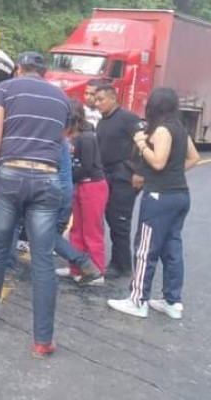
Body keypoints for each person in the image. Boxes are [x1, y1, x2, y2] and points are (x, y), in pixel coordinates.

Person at [0, 51, 69, 358]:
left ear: (17, 69)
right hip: (47, 179)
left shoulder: (5, 88)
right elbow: (59, 141)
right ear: (43, 72)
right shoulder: (61, 98)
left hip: (10, 173)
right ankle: (43, 341)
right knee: (43, 259)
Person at [108, 88, 200, 319]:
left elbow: (158, 162)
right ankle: (172, 301)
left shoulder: (161, 130)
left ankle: (138, 300)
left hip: (159, 196)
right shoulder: (180, 128)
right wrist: (174, 174)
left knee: (145, 248)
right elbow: (194, 158)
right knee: (172, 248)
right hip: (180, 195)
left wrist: (141, 143)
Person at [57, 101, 109, 283]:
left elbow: (86, 167)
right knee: (77, 229)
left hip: (92, 185)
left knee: (92, 230)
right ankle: (76, 267)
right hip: (81, 185)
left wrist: (66, 177)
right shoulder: (78, 136)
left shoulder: (86, 137)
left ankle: (98, 271)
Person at [94, 82, 141, 279]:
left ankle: (124, 266)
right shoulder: (102, 121)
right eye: (96, 100)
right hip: (107, 175)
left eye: (101, 99)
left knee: (120, 220)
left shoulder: (128, 118)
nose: (97, 103)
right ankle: (119, 262)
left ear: (113, 98)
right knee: (111, 218)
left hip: (123, 176)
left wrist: (139, 171)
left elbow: (143, 143)